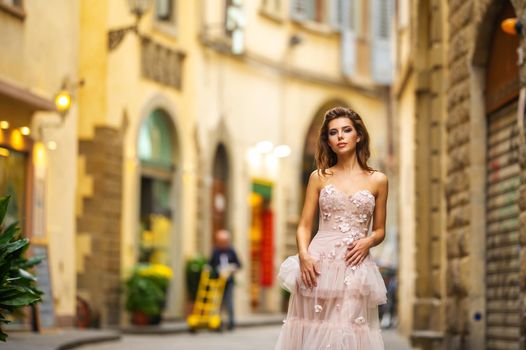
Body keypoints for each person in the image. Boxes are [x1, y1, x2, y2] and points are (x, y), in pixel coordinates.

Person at [275, 107, 388, 349]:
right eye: (333, 133)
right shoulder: (319, 177)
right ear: (328, 141)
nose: (340, 136)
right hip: (318, 265)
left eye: (346, 130)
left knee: (347, 330)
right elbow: (304, 225)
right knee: (313, 330)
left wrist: (369, 241)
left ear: (358, 135)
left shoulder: (378, 180)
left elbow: (380, 230)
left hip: (354, 264)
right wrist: (304, 256)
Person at [209, 229, 242, 330]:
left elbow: (239, 264)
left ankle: (231, 323)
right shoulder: (215, 251)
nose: (223, 244)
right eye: (221, 242)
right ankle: (217, 323)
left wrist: (232, 268)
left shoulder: (231, 251)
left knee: (229, 302)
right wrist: (216, 269)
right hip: (217, 281)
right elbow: (210, 264)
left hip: (228, 281)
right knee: (217, 303)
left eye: (225, 241)